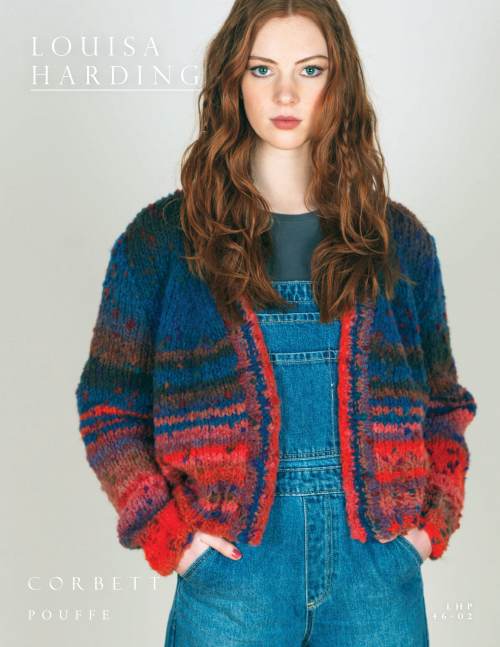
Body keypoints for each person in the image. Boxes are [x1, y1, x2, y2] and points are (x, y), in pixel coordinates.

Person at [75, 1, 477, 645]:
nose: (285, 94)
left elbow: (443, 403)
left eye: (310, 70)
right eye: (262, 69)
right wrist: (172, 538)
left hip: (377, 578)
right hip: (234, 581)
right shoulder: (161, 242)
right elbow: (108, 407)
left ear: (339, 82)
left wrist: (430, 525)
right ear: (232, 80)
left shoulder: (400, 242)